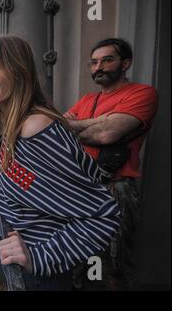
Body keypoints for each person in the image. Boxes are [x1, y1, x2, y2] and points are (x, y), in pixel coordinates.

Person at [0, 35, 120, 291]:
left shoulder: (34, 128)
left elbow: (103, 215)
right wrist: (2, 178)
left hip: (43, 275)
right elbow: (34, 181)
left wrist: (37, 258)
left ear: (18, 71)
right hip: (22, 265)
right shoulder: (7, 125)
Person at [63, 38, 158, 290]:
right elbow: (61, 129)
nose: (98, 67)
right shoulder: (87, 99)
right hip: (79, 189)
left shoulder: (143, 93)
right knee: (74, 261)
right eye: (94, 62)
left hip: (114, 191)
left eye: (107, 60)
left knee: (115, 266)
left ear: (125, 63)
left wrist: (84, 126)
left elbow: (108, 135)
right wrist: (101, 122)